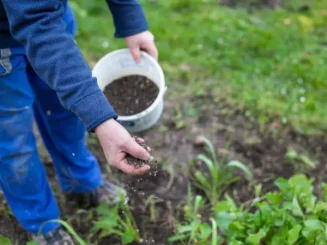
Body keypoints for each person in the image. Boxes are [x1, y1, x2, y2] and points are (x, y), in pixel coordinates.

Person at [0, 0, 158, 244]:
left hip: (52, 20)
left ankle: (81, 182)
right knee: (14, 141)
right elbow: (36, 22)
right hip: (7, 42)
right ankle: (41, 222)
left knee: (66, 113)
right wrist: (102, 120)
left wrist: (130, 18)